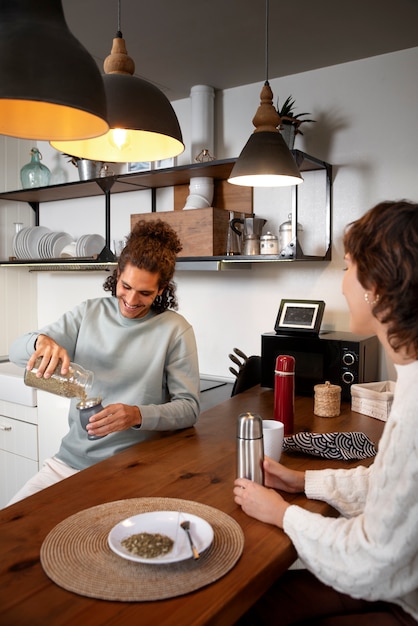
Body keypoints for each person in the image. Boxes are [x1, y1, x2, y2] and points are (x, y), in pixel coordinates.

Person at [234, 200, 418, 625]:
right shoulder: (409, 373)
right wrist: (303, 481)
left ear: (377, 284)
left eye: (347, 268)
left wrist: (281, 513)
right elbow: (390, 486)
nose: (341, 284)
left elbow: (374, 557)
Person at [7, 219, 200, 505]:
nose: (131, 300)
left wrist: (137, 415)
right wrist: (41, 342)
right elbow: (16, 352)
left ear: (161, 290)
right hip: (69, 463)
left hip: (134, 469)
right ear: (118, 274)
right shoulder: (88, 313)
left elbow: (189, 408)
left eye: (145, 293)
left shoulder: (174, 329)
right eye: (126, 286)